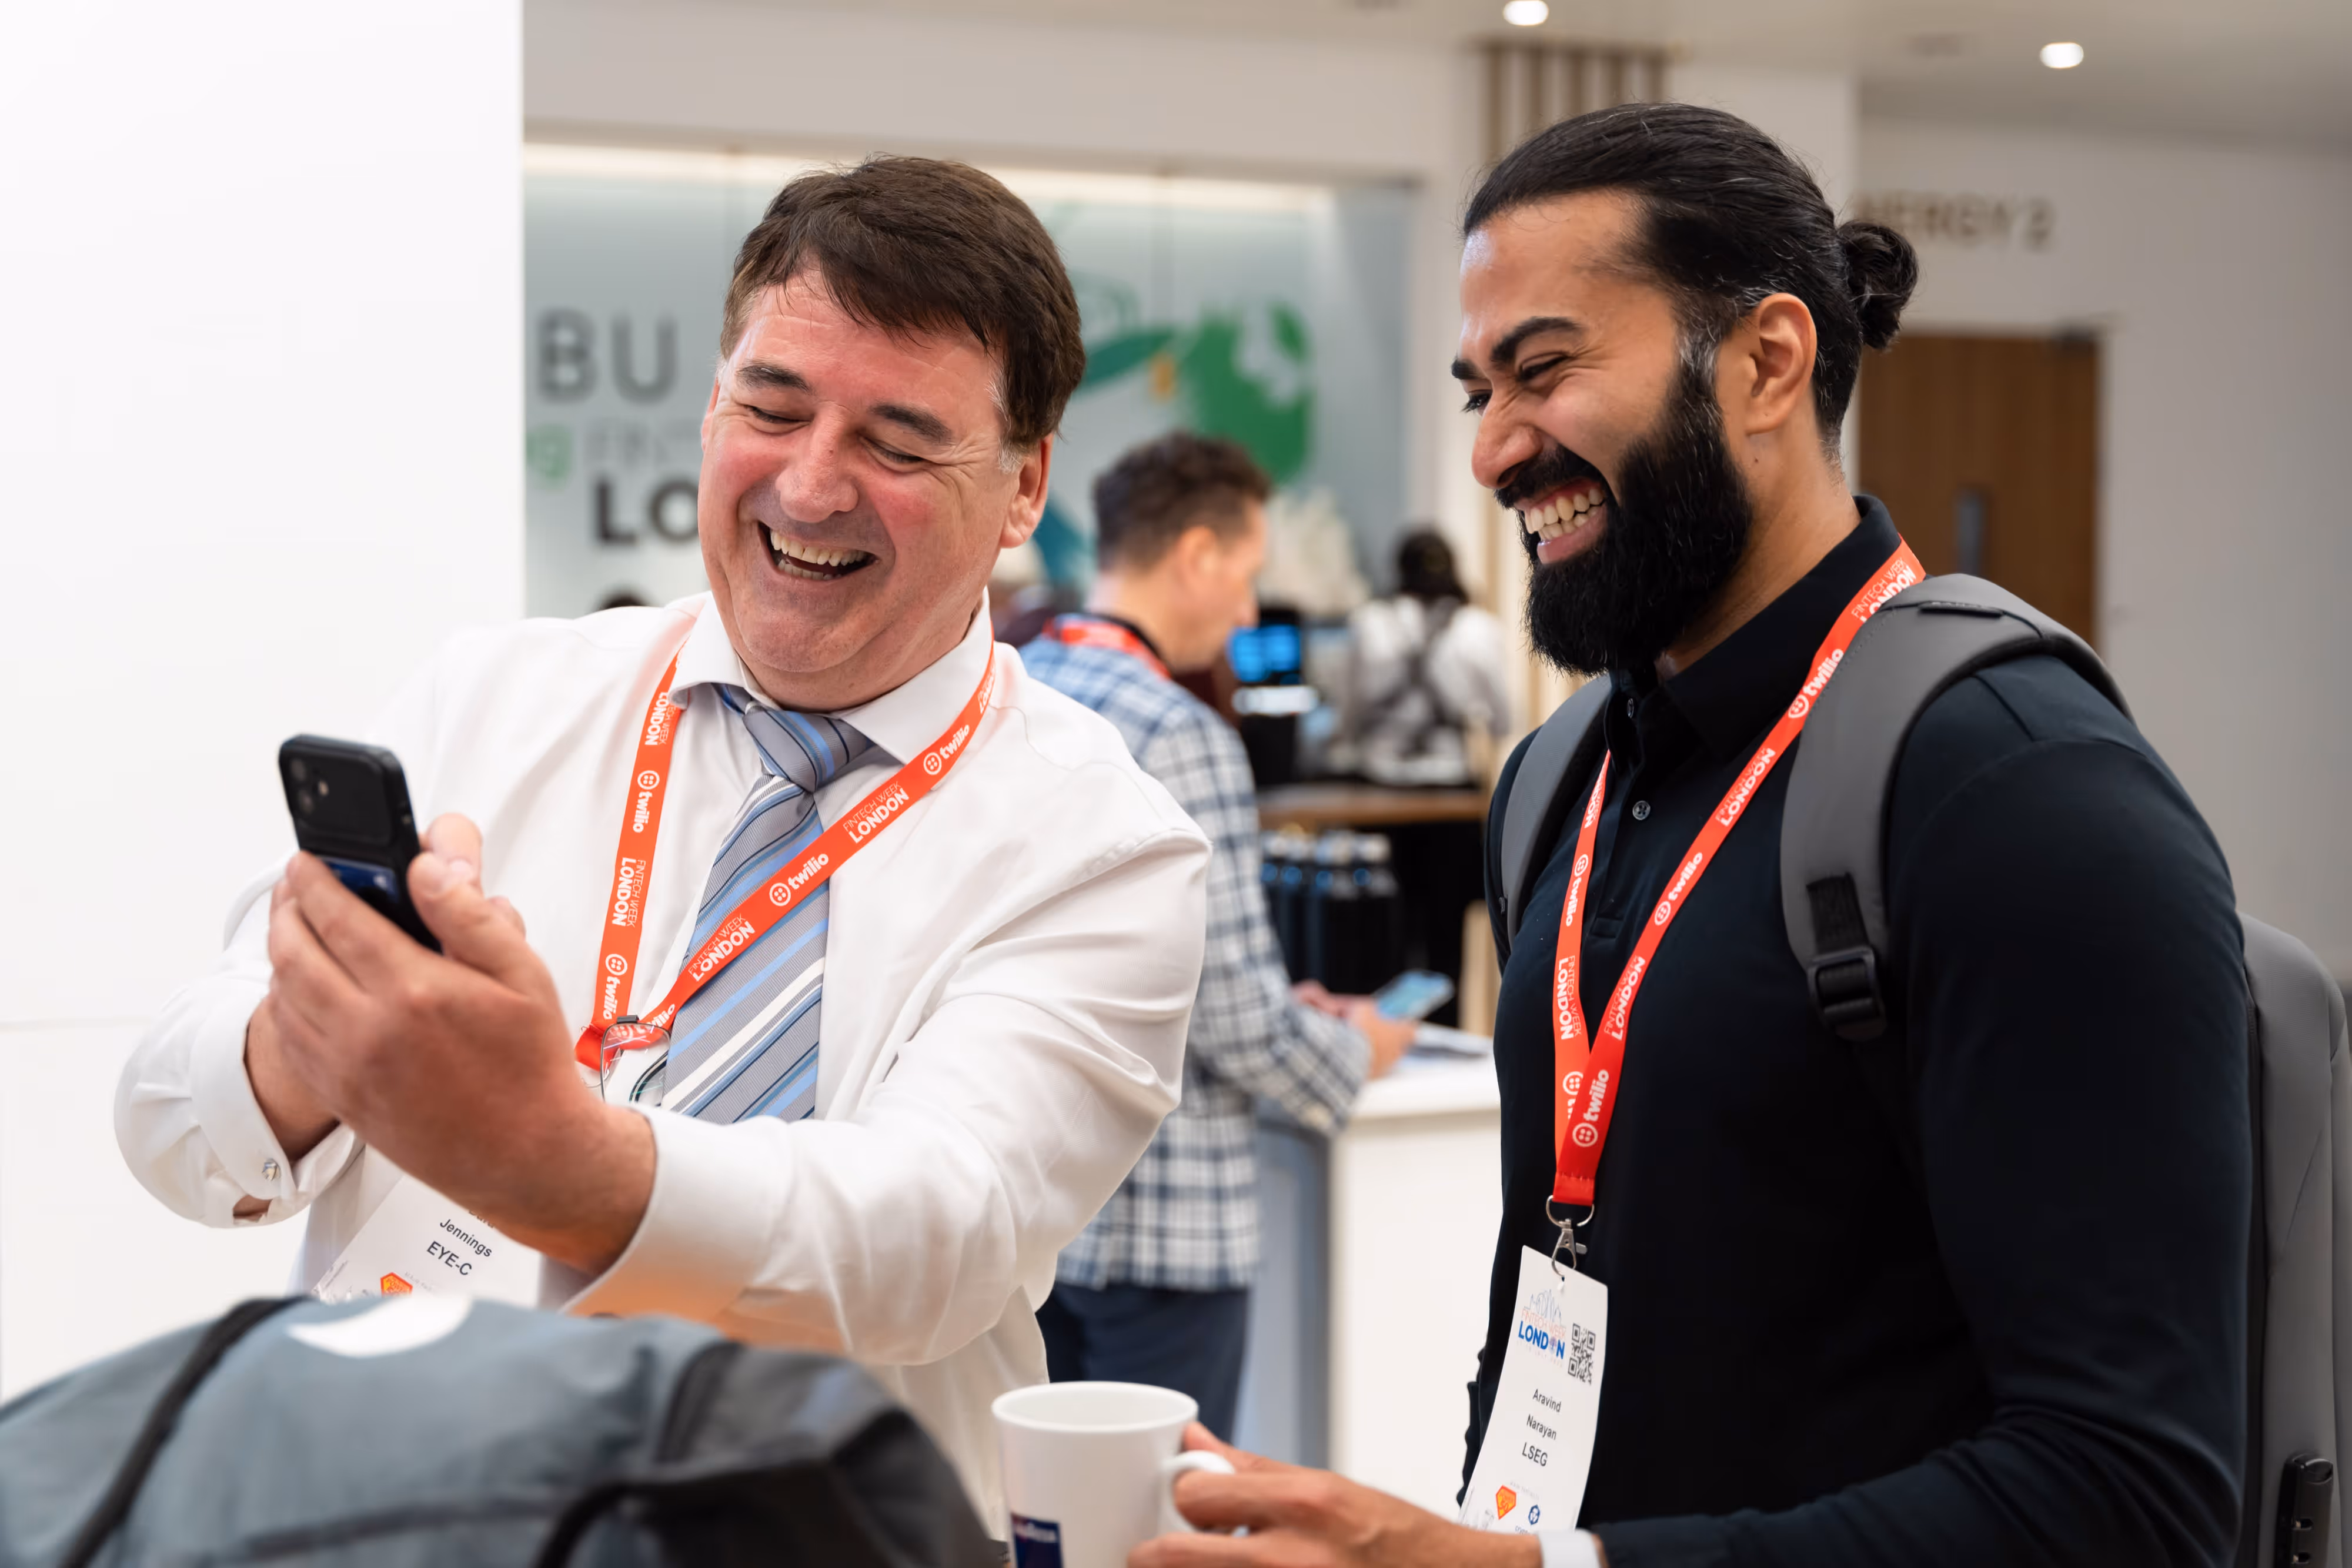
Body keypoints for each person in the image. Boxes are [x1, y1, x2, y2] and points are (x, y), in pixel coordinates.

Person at [1134, 102, 2249, 1568]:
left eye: (1542, 369)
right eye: (1477, 389)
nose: (1489, 452)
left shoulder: (2020, 792)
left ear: (1766, 362)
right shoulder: (1554, 784)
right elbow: (1552, 1299)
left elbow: (2132, 1494)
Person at [115, 156, 1214, 1523]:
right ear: (712, 407)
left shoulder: (1104, 843)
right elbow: (169, 1123)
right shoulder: (496, 698)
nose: (811, 487)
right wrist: (310, 1042)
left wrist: (557, 1157)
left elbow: (937, 1236)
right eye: (771, 406)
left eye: (897, 441)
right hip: (403, 1511)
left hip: (815, 1536)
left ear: (1022, 487)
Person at [1019, 432, 1415, 1438]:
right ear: (1195, 554)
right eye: (1243, 577)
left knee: (1044, 1515)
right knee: (1166, 1520)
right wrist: (1352, 1050)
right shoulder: (1177, 732)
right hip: (1162, 1216)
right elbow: (1233, 1016)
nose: (1247, 612)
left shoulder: (1012, 691)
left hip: (1030, 1198)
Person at [1334, 528, 1509, 788]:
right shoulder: (1481, 628)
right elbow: (1503, 723)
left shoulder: (1367, 623)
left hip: (1378, 784)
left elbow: (1347, 717)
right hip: (1452, 787)